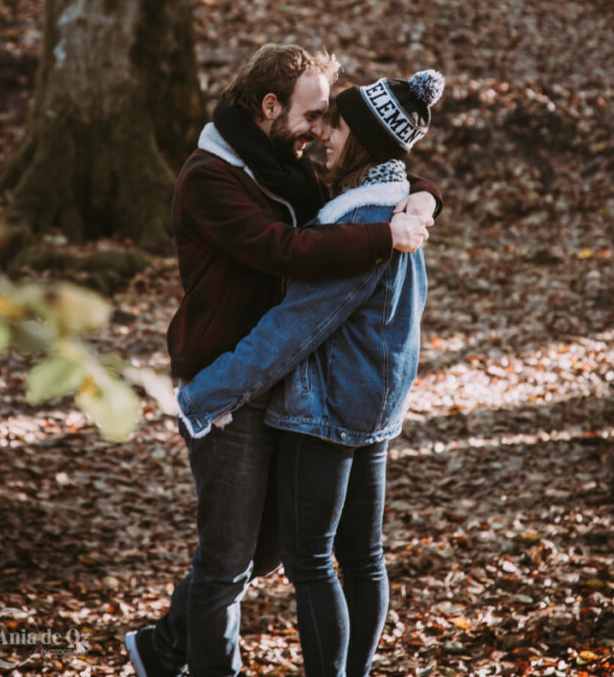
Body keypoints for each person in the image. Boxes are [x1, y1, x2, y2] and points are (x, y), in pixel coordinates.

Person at [125, 44, 442, 677]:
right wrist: (385, 235)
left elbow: (379, 165)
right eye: (315, 114)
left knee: (266, 553)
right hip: (228, 374)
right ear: (271, 108)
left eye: (332, 119)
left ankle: (162, 646)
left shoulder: (286, 161)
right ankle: (190, 662)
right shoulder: (210, 176)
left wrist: (423, 198)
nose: (321, 130)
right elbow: (286, 249)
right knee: (229, 561)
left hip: (284, 377)